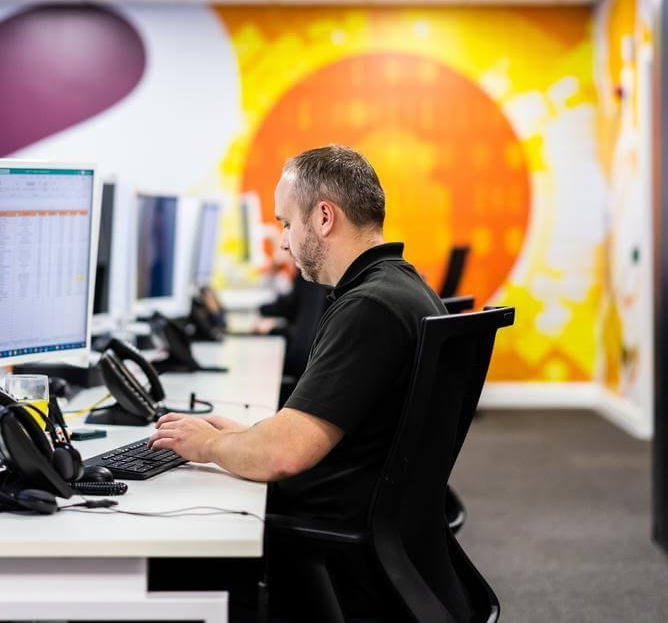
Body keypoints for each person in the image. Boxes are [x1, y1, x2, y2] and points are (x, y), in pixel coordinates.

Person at [147, 145, 446, 615]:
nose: (283, 242)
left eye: (287, 223)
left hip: (340, 534)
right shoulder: (395, 286)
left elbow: (283, 455)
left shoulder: (369, 307)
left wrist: (206, 446)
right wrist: (246, 436)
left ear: (324, 217)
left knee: (178, 531)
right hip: (377, 524)